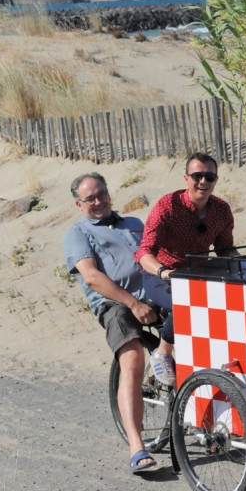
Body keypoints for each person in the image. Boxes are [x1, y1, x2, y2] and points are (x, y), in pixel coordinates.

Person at [63, 172, 158, 475]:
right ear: (80, 204)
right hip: (116, 304)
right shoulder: (77, 233)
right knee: (132, 360)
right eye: (90, 198)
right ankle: (136, 446)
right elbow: (92, 277)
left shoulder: (134, 224)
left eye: (101, 193)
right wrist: (133, 303)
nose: (98, 201)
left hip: (155, 296)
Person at [135, 152, 235, 386]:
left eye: (209, 177)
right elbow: (144, 252)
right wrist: (164, 272)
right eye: (197, 176)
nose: (203, 182)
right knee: (187, 304)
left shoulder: (221, 210)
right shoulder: (167, 206)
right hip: (160, 275)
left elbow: (225, 250)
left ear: (216, 180)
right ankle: (163, 352)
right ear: (186, 178)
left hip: (199, 274)